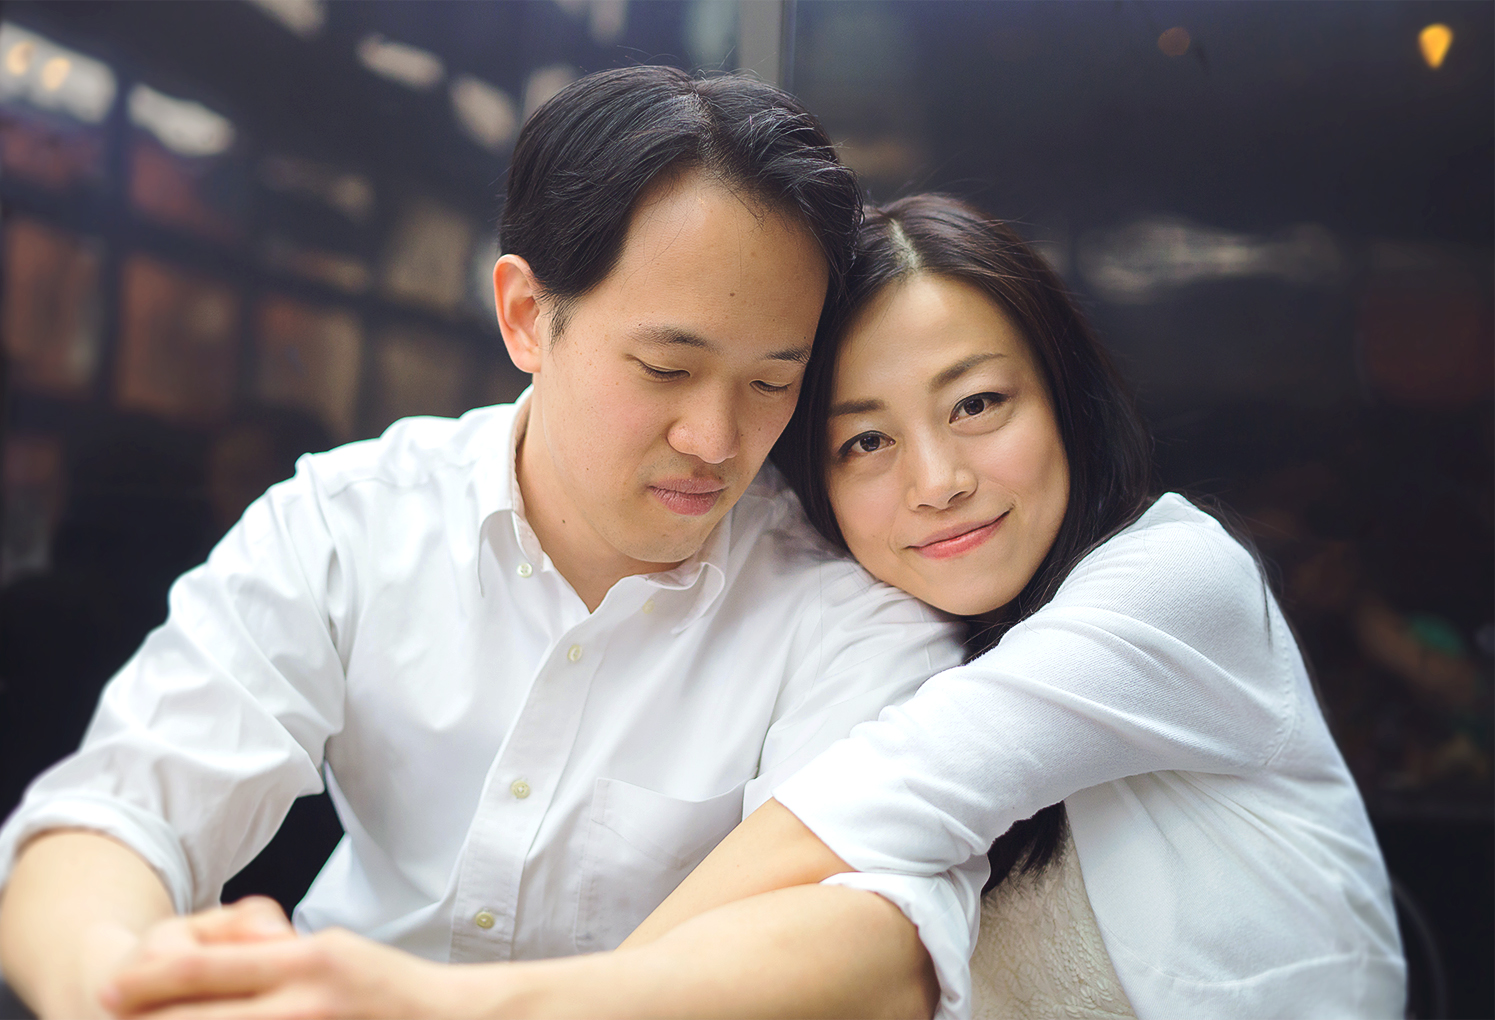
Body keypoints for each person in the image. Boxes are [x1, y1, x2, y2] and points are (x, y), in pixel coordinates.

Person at [0, 70, 965, 1019]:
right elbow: (111, 817)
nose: (715, 441)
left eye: (770, 383)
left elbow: (878, 955)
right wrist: (123, 988)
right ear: (523, 317)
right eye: (667, 368)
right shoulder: (354, 521)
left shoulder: (848, 612)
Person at [610, 195, 1407, 1018]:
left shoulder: (1178, 579)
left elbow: (900, 787)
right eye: (867, 442)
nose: (938, 480)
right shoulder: (867, 644)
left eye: (977, 404)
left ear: (1063, 398)